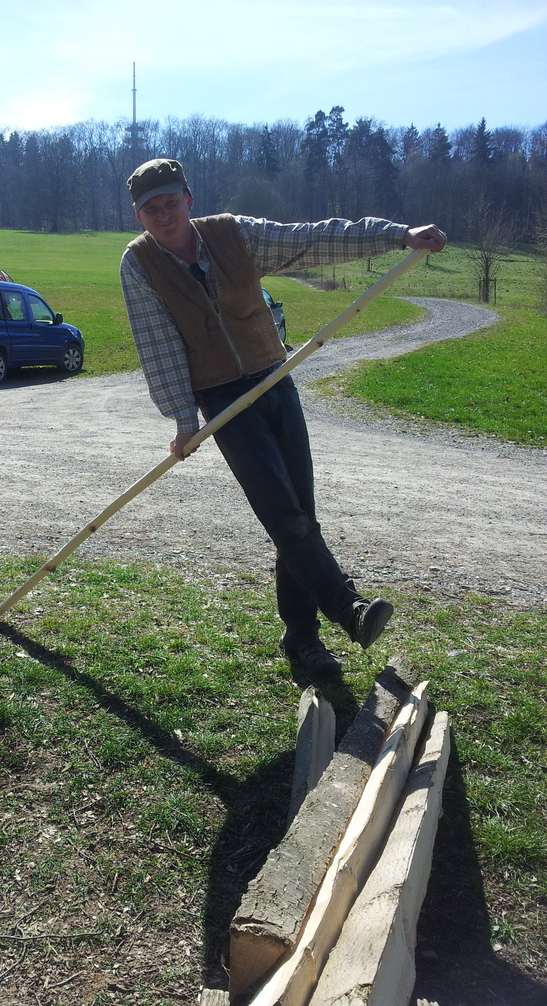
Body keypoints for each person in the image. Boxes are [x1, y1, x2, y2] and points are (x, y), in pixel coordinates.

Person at [119, 158, 447, 674]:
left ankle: (300, 638)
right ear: (140, 216)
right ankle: (349, 610)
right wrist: (184, 419)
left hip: (275, 378)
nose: (164, 215)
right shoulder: (138, 264)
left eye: (171, 203)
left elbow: (311, 239)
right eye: (151, 209)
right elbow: (157, 345)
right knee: (283, 515)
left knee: (300, 515)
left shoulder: (233, 234)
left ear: (189, 200)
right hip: (222, 399)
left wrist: (397, 236)